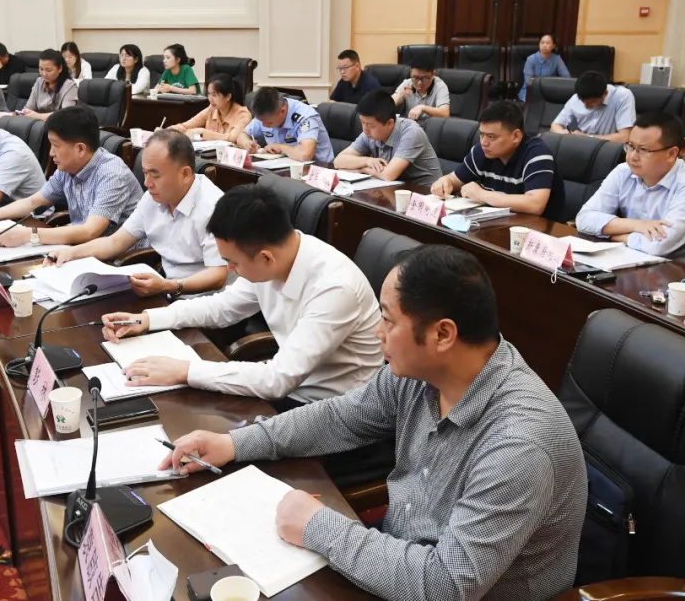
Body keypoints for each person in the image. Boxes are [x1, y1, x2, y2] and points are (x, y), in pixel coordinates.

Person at [160, 245, 586, 601]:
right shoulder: (422, 375)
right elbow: (340, 417)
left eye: (388, 319)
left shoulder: (519, 444)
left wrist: (319, 527)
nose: (378, 333)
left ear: (442, 335)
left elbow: (447, 585)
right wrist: (235, 443)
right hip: (399, 557)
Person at [102, 183, 382, 403]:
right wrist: (148, 319)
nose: (229, 269)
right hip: (293, 388)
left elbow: (276, 380)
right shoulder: (276, 255)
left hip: (336, 409)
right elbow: (223, 307)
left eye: (232, 262)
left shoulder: (334, 288)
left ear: (265, 258)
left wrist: (184, 370)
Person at [48, 130, 228, 297]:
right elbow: (115, 242)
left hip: (207, 303)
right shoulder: (152, 197)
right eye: (145, 173)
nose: (147, 183)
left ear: (185, 174)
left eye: (155, 175)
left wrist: (169, 286)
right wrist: (71, 253)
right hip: (167, 293)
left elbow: (218, 275)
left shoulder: (213, 208)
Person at [0, 106, 142, 246]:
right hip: (80, 247)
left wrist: (30, 235)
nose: (51, 153)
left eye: (56, 146)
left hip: (120, 259)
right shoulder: (67, 168)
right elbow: (32, 202)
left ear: (80, 149)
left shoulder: (112, 174)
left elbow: (90, 231)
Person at [577, 111, 685, 271]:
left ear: (671, 154)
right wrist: (636, 225)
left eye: (642, 150)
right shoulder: (623, 172)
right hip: (635, 264)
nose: (632, 157)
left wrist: (614, 235)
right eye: (630, 146)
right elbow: (584, 218)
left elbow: (658, 246)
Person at [431, 100, 566, 219]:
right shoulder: (482, 151)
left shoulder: (537, 154)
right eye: (482, 135)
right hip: (497, 224)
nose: (484, 142)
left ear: (516, 136)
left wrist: (482, 194)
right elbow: (454, 179)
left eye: (491, 137)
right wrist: (445, 181)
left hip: (538, 231)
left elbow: (535, 205)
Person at [334, 90, 442, 187]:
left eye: (370, 125)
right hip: (394, 189)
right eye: (362, 122)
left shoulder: (411, 132)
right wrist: (367, 161)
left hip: (425, 194)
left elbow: (388, 174)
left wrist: (362, 169)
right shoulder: (369, 133)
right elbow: (339, 161)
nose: (365, 129)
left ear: (390, 123)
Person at [237, 87, 334, 162]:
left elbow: (305, 154)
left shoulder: (305, 116)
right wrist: (246, 143)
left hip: (318, 169)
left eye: (269, 123)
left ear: (282, 111)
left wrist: (281, 147)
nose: (264, 125)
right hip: (284, 166)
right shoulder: (265, 114)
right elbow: (242, 135)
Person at [551, 71, 636, 143]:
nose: (585, 106)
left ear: (605, 94)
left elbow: (625, 137)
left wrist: (587, 137)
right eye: (582, 101)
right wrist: (564, 134)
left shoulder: (622, 96)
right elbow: (555, 125)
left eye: (591, 102)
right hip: (583, 147)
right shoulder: (576, 98)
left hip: (610, 148)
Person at [171, 74, 252, 142]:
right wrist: (168, 131)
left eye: (214, 95)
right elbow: (185, 126)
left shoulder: (243, 114)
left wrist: (203, 132)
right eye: (208, 94)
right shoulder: (211, 110)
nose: (210, 99)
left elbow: (231, 138)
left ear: (228, 97)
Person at [21, 48, 77, 120]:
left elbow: (66, 115)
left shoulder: (70, 86)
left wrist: (38, 116)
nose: (44, 74)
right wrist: (25, 112)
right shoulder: (39, 81)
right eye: (41, 69)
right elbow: (29, 107)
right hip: (37, 124)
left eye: (48, 70)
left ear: (60, 68)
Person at [392, 57, 449, 123]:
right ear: (410, 72)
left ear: (433, 74)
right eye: (415, 77)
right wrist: (399, 96)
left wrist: (423, 108)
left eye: (425, 78)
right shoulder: (407, 83)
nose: (419, 83)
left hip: (431, 126)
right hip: (411, 124)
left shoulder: (440, 86)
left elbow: (445, 114)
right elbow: (389, 102)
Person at [519, 33, 570, 102]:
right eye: (542, 43)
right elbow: (529, 81)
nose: (544, 45)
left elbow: (567, 77)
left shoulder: (557, 59)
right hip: (531, 91)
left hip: (550, 91)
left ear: (553, 46)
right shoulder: (531, 59)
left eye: (548, 43)